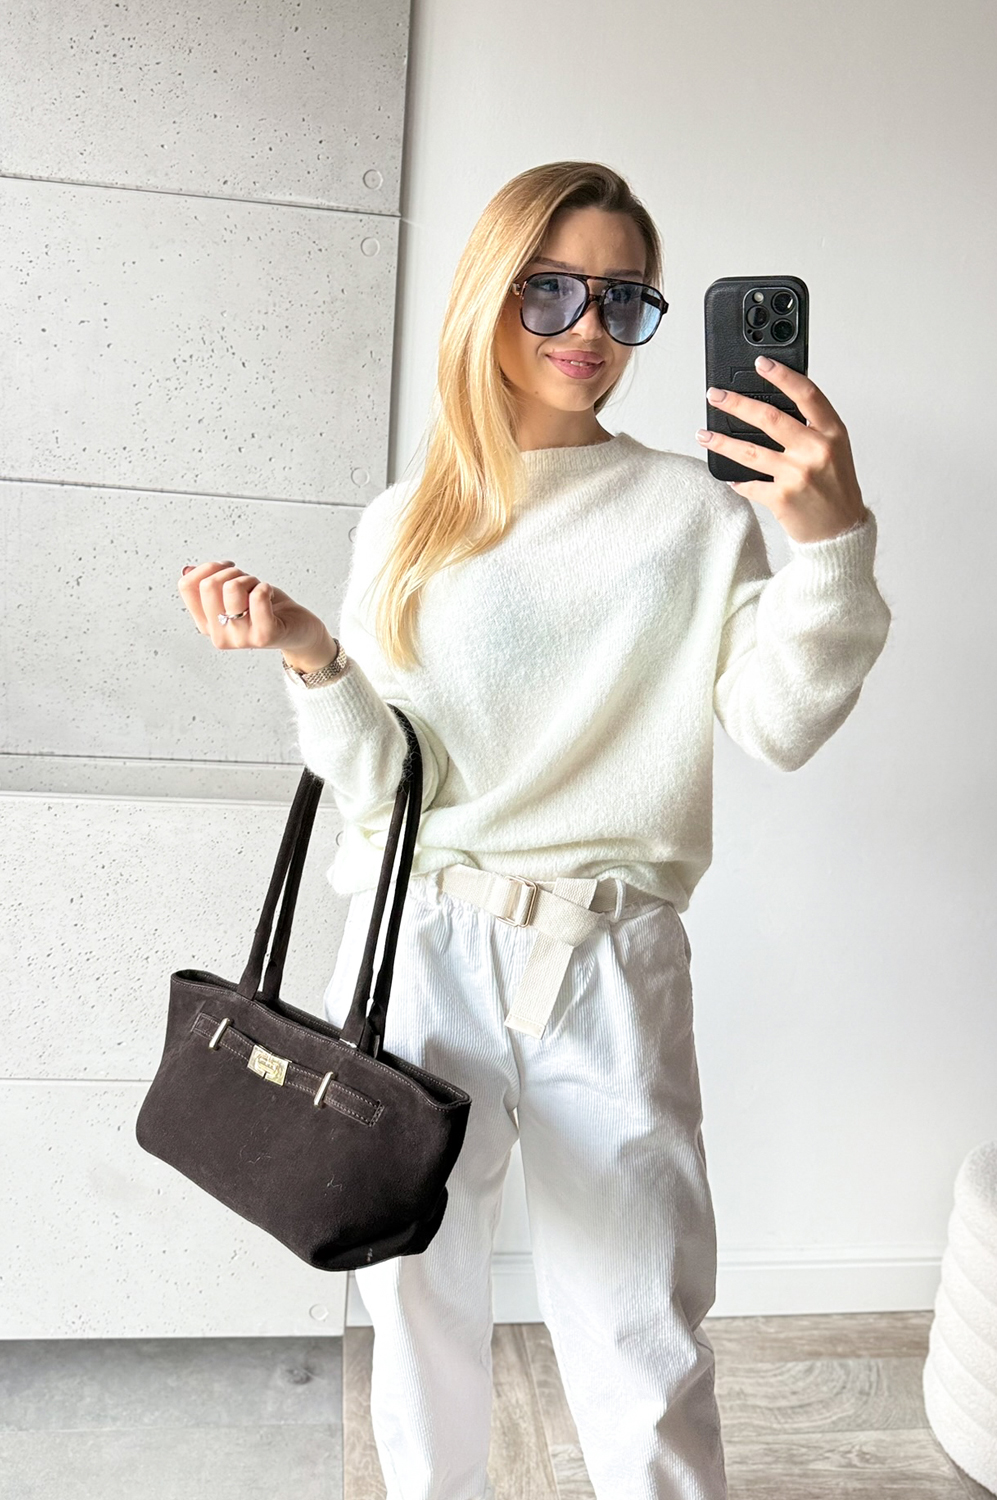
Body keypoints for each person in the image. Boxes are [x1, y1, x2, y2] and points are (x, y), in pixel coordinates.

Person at [178, 161, 891, 1500]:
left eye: (624, 300)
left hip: (609, 960)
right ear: (488, 295)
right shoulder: (406, 520)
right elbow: (382, 789)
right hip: (421, 953)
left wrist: (830, 543)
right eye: (551, 290)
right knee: (416, 1312)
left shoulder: (695, 513)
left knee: (640, 1333)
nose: (587, 329)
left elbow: (779, 723)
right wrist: (314, 657)